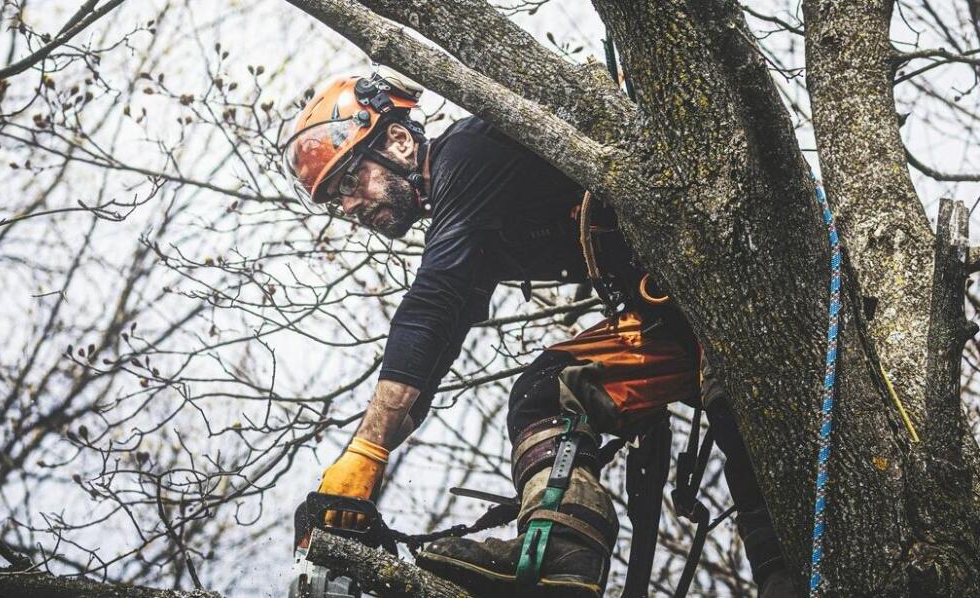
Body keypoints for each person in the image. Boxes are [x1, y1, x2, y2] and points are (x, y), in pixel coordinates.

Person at [283, 69, 799, 598]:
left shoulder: (470, 152)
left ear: (396, 139)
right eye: (334, 201)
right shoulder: (477, 225)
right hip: (678, 318)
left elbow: (432, 300)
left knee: (745, 412)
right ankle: (558, 556)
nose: (348, 206)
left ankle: (792, 569)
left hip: (738, 277)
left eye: (350, 180)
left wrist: (368, 450)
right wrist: (357, 478)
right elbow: (431, 352)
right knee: (547, 393)